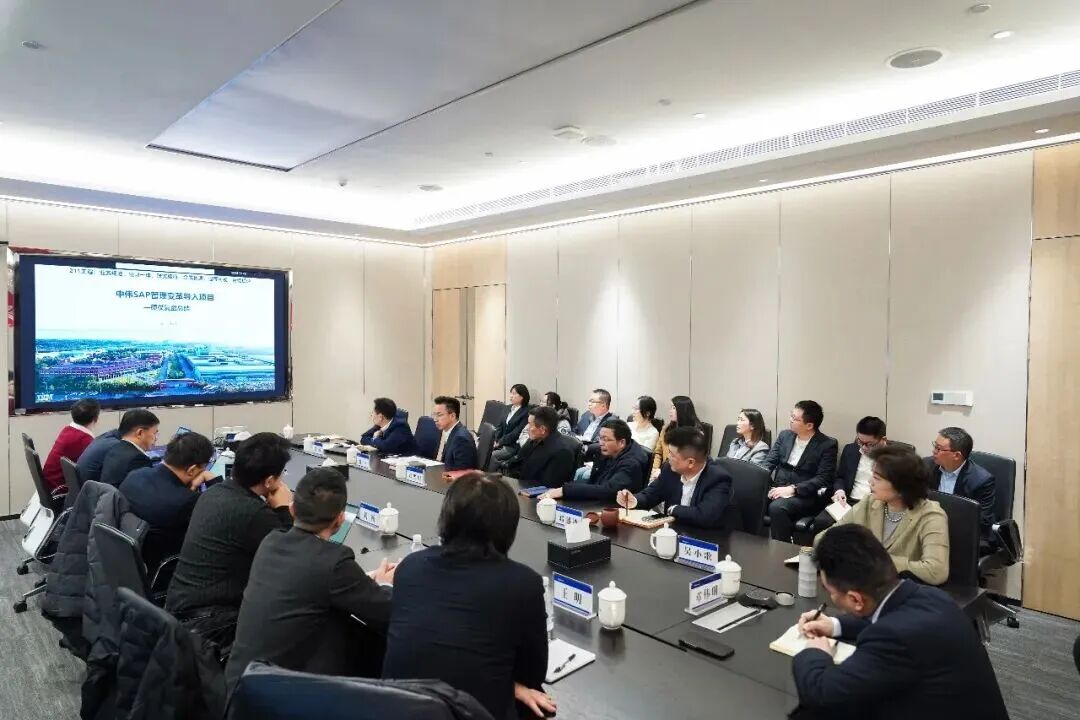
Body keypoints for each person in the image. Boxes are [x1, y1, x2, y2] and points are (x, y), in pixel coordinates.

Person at [383, 472, 554, 720]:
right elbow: (533, 674)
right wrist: (513, 685)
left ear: (446, 517)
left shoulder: (410, 566)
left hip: (398, 710)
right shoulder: (524, 584)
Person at [792, 525, 1008, 720]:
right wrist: (835, 625)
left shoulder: (893, 639)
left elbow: (822, 695)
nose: (829, 597)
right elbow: (889, 622)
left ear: (856, 599)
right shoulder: (929, 596)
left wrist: (815, 652)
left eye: (829, 591)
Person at [225, 468, 396, 691]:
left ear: (292, 509)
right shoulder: (334, 561)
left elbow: (310, 583)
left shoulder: (271, 541)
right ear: (340, 520)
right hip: (281, 694)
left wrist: (363, 580)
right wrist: (384, 584)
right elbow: (387, 613)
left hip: (238, 687)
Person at [166, 432, 295, 648]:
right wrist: (283, 509)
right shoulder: (254, 512)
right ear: (270, 480)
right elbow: (292, 556)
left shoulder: (214, 492)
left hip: (179, 609)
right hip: (214, 624)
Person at [814, 445, 949, 586]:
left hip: (903, 589)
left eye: (877, 478)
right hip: (864, 586)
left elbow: (936, 571)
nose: (870, 482)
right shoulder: (870, 502)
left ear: (902, 486)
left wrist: (873, 560)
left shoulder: (931, 516)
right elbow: (822, 538)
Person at [118, 431, 216, 573]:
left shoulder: (135, 476)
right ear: (192, 470)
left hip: (133, 565)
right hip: (168, 570)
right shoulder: (187, 501)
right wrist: (213, 480)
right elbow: (222, 519)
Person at [618, 427, 735, 529]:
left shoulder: (718, 479)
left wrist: (674, 509)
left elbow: (704, 516)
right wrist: (634, 500)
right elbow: (651, 494)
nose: (668, 457)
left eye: (672, 454)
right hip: (672, 533)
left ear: (690, 462)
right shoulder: (669, 469)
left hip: (706, 539)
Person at [758, 401, 838, 542]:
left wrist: (793, 489)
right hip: (778, 487)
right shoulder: (785, 436)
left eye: (795, 418)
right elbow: (769, 462)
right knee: (747, 497)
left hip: (805, 495)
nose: (790, 420)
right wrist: (758, 480)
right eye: (791, 416)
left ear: (809, 425)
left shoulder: (827, 445)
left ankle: (782, 549)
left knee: (777, 508)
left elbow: (824, 478)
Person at [811, 416, 887, 533]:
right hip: (848, 501)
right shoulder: (851, 449)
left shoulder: (894, 458)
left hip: (876, 503)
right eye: (860, 442)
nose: (863, 447)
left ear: (883, 440)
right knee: (822, 522)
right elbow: (840, 477)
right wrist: (839, 491)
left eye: (869, 444)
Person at [545, 419, 649, 502]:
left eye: (606, 439)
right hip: (599, 499)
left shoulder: (632, 463)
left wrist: (565, 490)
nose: (601, 443)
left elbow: (608, 490)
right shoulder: (605, 451)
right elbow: (594, 482)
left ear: (621, 442)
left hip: (615, 507)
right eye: (600, 438)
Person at [928, 427, 996, 545]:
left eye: (939, 448)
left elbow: (981, 521)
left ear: (956, 455)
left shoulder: (981, 481)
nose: (934, 451)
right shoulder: (926, 467)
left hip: (963, 534)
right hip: (931, 528)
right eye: (935, 446)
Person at [507, 406, 577, 488]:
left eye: (530, 424)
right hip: (520, 485)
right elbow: (516, 464)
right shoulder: (534, 439)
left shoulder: (562, 452)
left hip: (534, 492)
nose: (527, 428)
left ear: (542, 429)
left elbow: (548, 486)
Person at [42, 399, 101, 493]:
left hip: (50, 485)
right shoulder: (85, 440)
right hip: (60, 490)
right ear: (96, 419)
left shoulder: (68, 429)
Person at [98, 409, 160, 487]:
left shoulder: (115, 448)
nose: (156, 438)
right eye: (154, 433)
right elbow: (148, 490)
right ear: (140, 433)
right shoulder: (138, 460)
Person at [652, 395, 703, 479]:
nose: (670, 411)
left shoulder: (695, 433)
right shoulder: (666, 429)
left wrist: (662, 473)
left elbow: (689, 462)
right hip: (661, 472)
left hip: (681, 475)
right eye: (670, 408)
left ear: (683, 410)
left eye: (674, 408)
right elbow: (658, 452)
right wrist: (655, 469)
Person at [432, 396, 478, 470]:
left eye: (439, 415)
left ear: (452, 416)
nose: (435, 419)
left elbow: (462, 473)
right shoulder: (446, 432)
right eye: (434, 415)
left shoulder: (461, 439)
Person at [574, 388, 613, 457]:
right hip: (577, 451)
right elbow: (574, 431)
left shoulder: (612, 421)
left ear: (603, 405)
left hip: (594, 456)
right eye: (589, 401)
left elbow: (606, 444)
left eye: (592, 401)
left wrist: (586, 448)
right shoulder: (586, 415)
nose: (589, 404)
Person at [493, 384, 531, 451]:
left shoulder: (526, 412)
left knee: (491, 455)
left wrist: (500, 442)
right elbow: (499, 426)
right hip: (499, 443)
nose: (511, 396)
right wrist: (495, 440)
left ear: (522, 396)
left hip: (512, 446)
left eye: (514, 394)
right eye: (511, 393)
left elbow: (516, 433)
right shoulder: (507, 408)